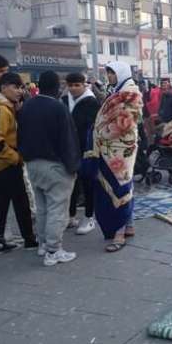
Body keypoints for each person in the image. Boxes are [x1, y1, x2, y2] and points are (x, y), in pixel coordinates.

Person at [18, 71, 80, 266]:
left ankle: (43, 244)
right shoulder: (58, 108)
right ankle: (53, 250)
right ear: (56, 86)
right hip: (55, 165)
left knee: (42, 207)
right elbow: (68, 140)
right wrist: (73, 166)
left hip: (32, 164)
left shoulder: (27, 106)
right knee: (57, 209)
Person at [86, 62, 143, 253]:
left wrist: (101, 133)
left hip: (120, 148)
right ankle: (128, 226)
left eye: (111, 73)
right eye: (108, 73)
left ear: (121, 73)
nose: (109, 76)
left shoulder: (130, 93)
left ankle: (119, 234)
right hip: (114, 148)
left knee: (119, 189)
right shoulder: (120, 91)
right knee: (125, 187)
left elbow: (124, 123)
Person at [0, 73, 37, 251]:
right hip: (3, 162)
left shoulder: (1, 106)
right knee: (20, 201)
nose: (19, 91)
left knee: (2, 201)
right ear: (3, 88)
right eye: (15, 87)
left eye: (21, 87)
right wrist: (16, 158)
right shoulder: (0, 109)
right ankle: (29, 238)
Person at [61, 73, 101, 236]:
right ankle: (70, 216)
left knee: (87, 183)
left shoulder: (91, 102)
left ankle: (88, 216)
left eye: (77, 85)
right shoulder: (63, 101)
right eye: (70, 85)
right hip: (69, 149)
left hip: (87, 150)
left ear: (84, 85)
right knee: (71, 184)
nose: (73, 88)